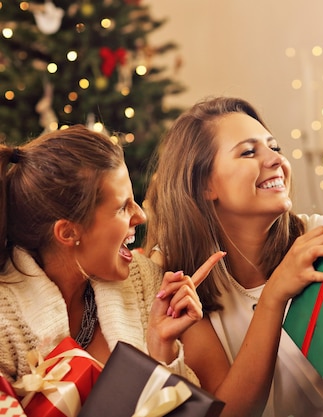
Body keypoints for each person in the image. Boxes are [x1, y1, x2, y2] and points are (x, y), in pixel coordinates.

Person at [143, 96, 323, 417]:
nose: (276, 160)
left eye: (274, 147)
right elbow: (228, 414)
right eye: (249, 152)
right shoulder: (183, 278)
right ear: (205, 184)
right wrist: (275, 294)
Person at [0, 125, 223, 385]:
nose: (141, 216)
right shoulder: (6, 320)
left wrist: (162, 351)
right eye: (122, 207)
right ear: (68, 232)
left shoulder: (146, 282)